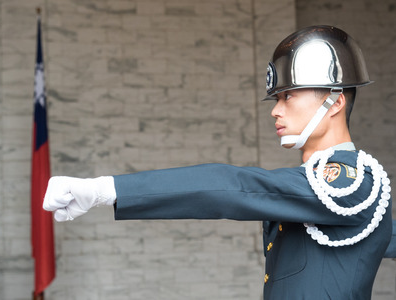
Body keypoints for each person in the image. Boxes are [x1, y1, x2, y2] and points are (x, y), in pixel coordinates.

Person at [43, 25, 396, 299]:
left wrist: (106, 189)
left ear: (335, 103)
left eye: (289, 96)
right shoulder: (344, 197)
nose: (275, 109)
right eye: (277, 98)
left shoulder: (352, 184)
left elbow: (233, 187)